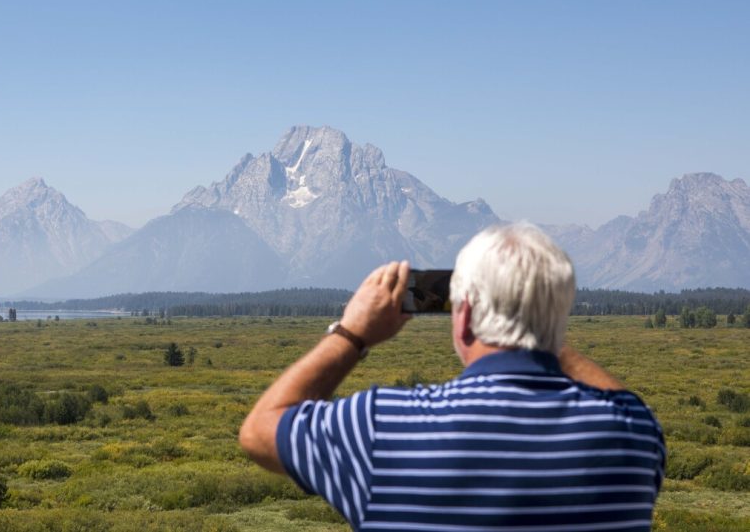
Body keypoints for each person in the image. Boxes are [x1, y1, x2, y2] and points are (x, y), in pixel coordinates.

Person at [239, 223, 665, 532]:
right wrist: (537, 327)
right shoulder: (634, 435)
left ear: (464, 318)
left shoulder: (380, 427)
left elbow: (259, 432)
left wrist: (353, 333)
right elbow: (625, 401)